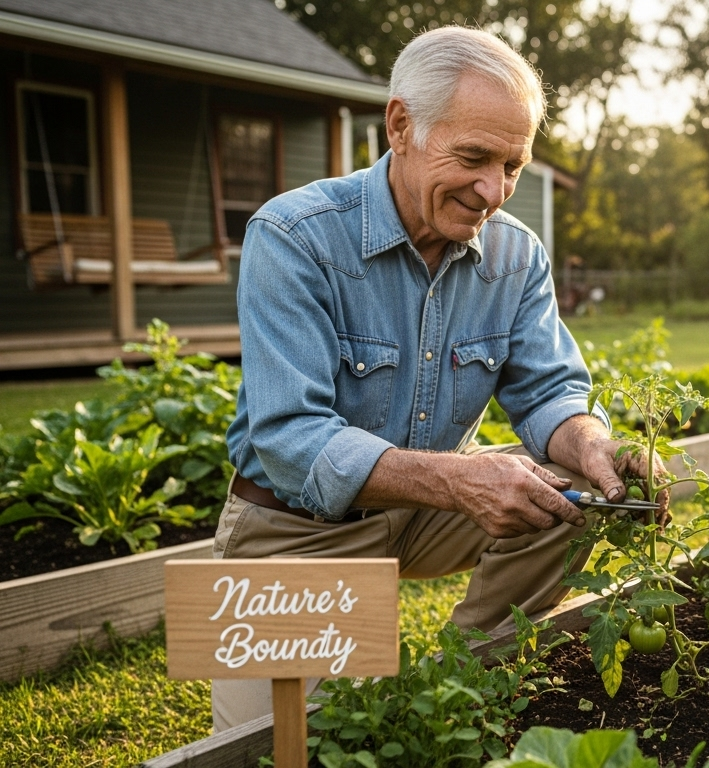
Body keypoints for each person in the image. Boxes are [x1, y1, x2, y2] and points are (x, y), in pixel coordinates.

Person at [210, 26, 659, 732]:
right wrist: (459, 481)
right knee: (295, 745)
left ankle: (463, 673)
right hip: (296, 530)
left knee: (571, 495)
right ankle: (376, 690)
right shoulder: (295, 238)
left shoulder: (515, 257)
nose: (493, 191)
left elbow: (548, 393)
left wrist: (591, 445)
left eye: (513, 164)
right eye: (475, 157)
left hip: (421, 515)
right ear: (401, 126)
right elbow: (290, 439)